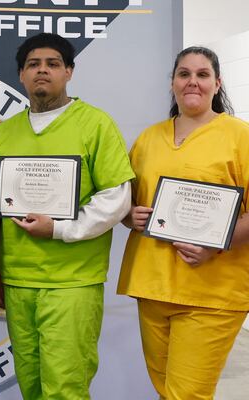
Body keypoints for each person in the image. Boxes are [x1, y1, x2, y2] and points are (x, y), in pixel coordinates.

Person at [0, 33, 135, 400]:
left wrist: (59, 229)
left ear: (69, 71)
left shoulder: (95, 124)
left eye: (53, 64)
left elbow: (117, 198)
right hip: (19, 280)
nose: (43, 71)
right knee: (32, 383)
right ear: (21, 75)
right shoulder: (5, 133)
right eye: (33, 65)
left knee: (66, 386)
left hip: (72, 281)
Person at [118, 46, 249, 399]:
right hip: (152, 285)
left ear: (217, 84)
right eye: (184, 74)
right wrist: (130, 216)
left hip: (212, 291)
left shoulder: (240, 136)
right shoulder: (148, 138)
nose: (193, 81)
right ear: (173, 83)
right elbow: (126, 202)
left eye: (202, 74)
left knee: (185, 395)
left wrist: (215, 242)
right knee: (166, 391)